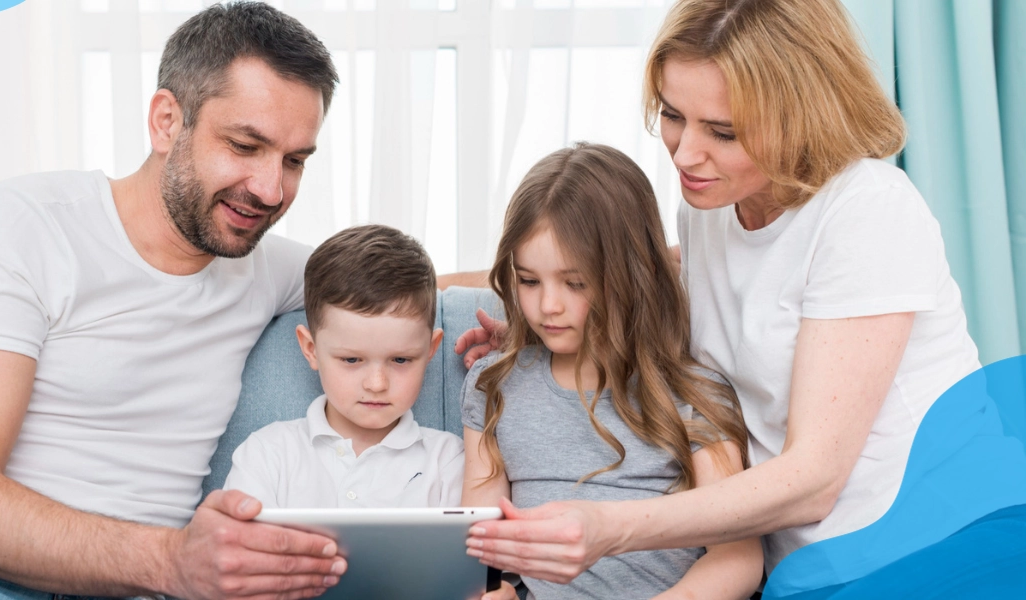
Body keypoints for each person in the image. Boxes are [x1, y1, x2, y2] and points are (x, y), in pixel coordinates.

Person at [452, 0, 1026, 596]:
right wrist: (528, 319)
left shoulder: (867, 210)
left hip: (940, 542)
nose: (684, 153)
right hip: (814, 567)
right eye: (674, 115)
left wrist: (608, 528)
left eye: (722, 131)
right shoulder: (711, 208)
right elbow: (621, 269)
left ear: (801, 115)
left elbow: (814, 479)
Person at [0, 3, 353, 599]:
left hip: (119, 589)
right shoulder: (18, 228)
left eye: (294, 161)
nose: (270, 189)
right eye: (243, 145)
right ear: (165, 121)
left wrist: (488, 322)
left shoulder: (268, 268)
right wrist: (171, 562)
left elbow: (408, 284)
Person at [461, 143, 762, 600]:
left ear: (629, 274)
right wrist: (491, 590)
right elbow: (481, 549)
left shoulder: (695, 394)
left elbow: (737, 559)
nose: (548, 306)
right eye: (529, 280)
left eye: (575, 282)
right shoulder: (493, 385)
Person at [223, 224, 464, 509]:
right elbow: (235, 549)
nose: (376, 384)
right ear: (311, 349)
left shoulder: (447, 460)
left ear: (430, 350)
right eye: (352, 360)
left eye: (400, 360)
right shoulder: (268, 454)